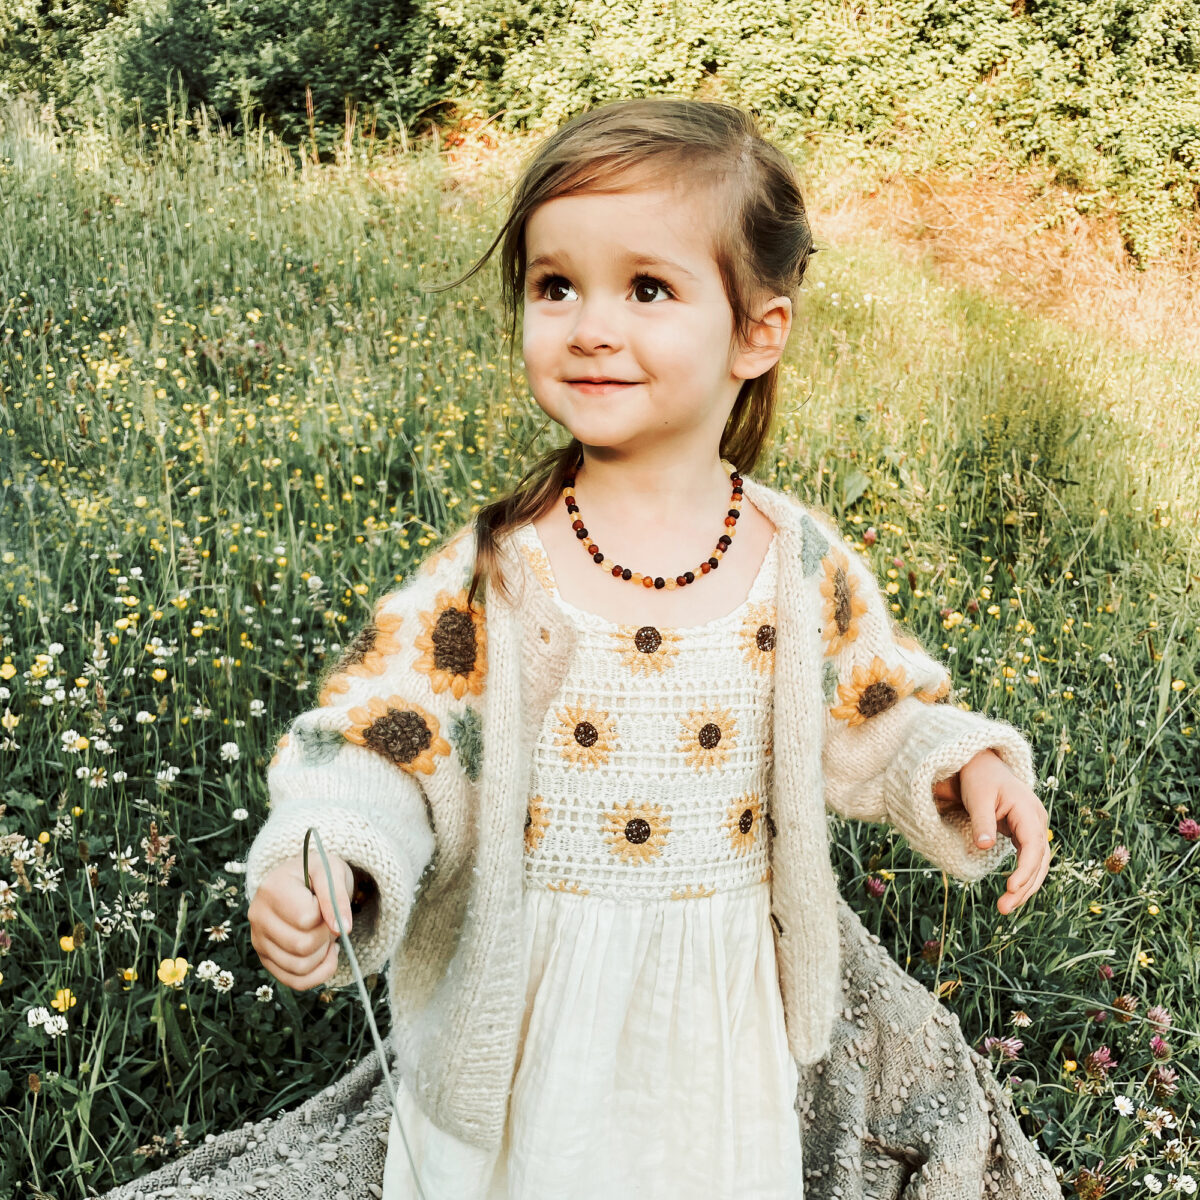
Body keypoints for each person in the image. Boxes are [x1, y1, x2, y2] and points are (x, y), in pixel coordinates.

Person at [100, 98, 1060, 1200]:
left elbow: (875, 708)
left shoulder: (795, 563)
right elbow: (386, 737)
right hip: (532, 995)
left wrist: (963, 763)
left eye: (648, 289)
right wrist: (333, 852)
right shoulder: (504, 569)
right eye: (556, 286)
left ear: (759, 331)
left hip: (715, 1000)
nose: (591, 325)